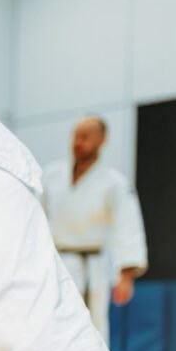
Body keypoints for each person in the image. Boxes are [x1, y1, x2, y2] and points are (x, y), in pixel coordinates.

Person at [42, 116, 147, 339]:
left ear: (102, 140)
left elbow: (128, 225)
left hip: (92, 267)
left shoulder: (114, 182)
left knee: (91, 331)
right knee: (51, 329)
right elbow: (34, 216)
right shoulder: (51, 175)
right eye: (76, 136)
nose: (78, 142)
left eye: (85, 137)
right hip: (54, 263)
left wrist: (126, 275)